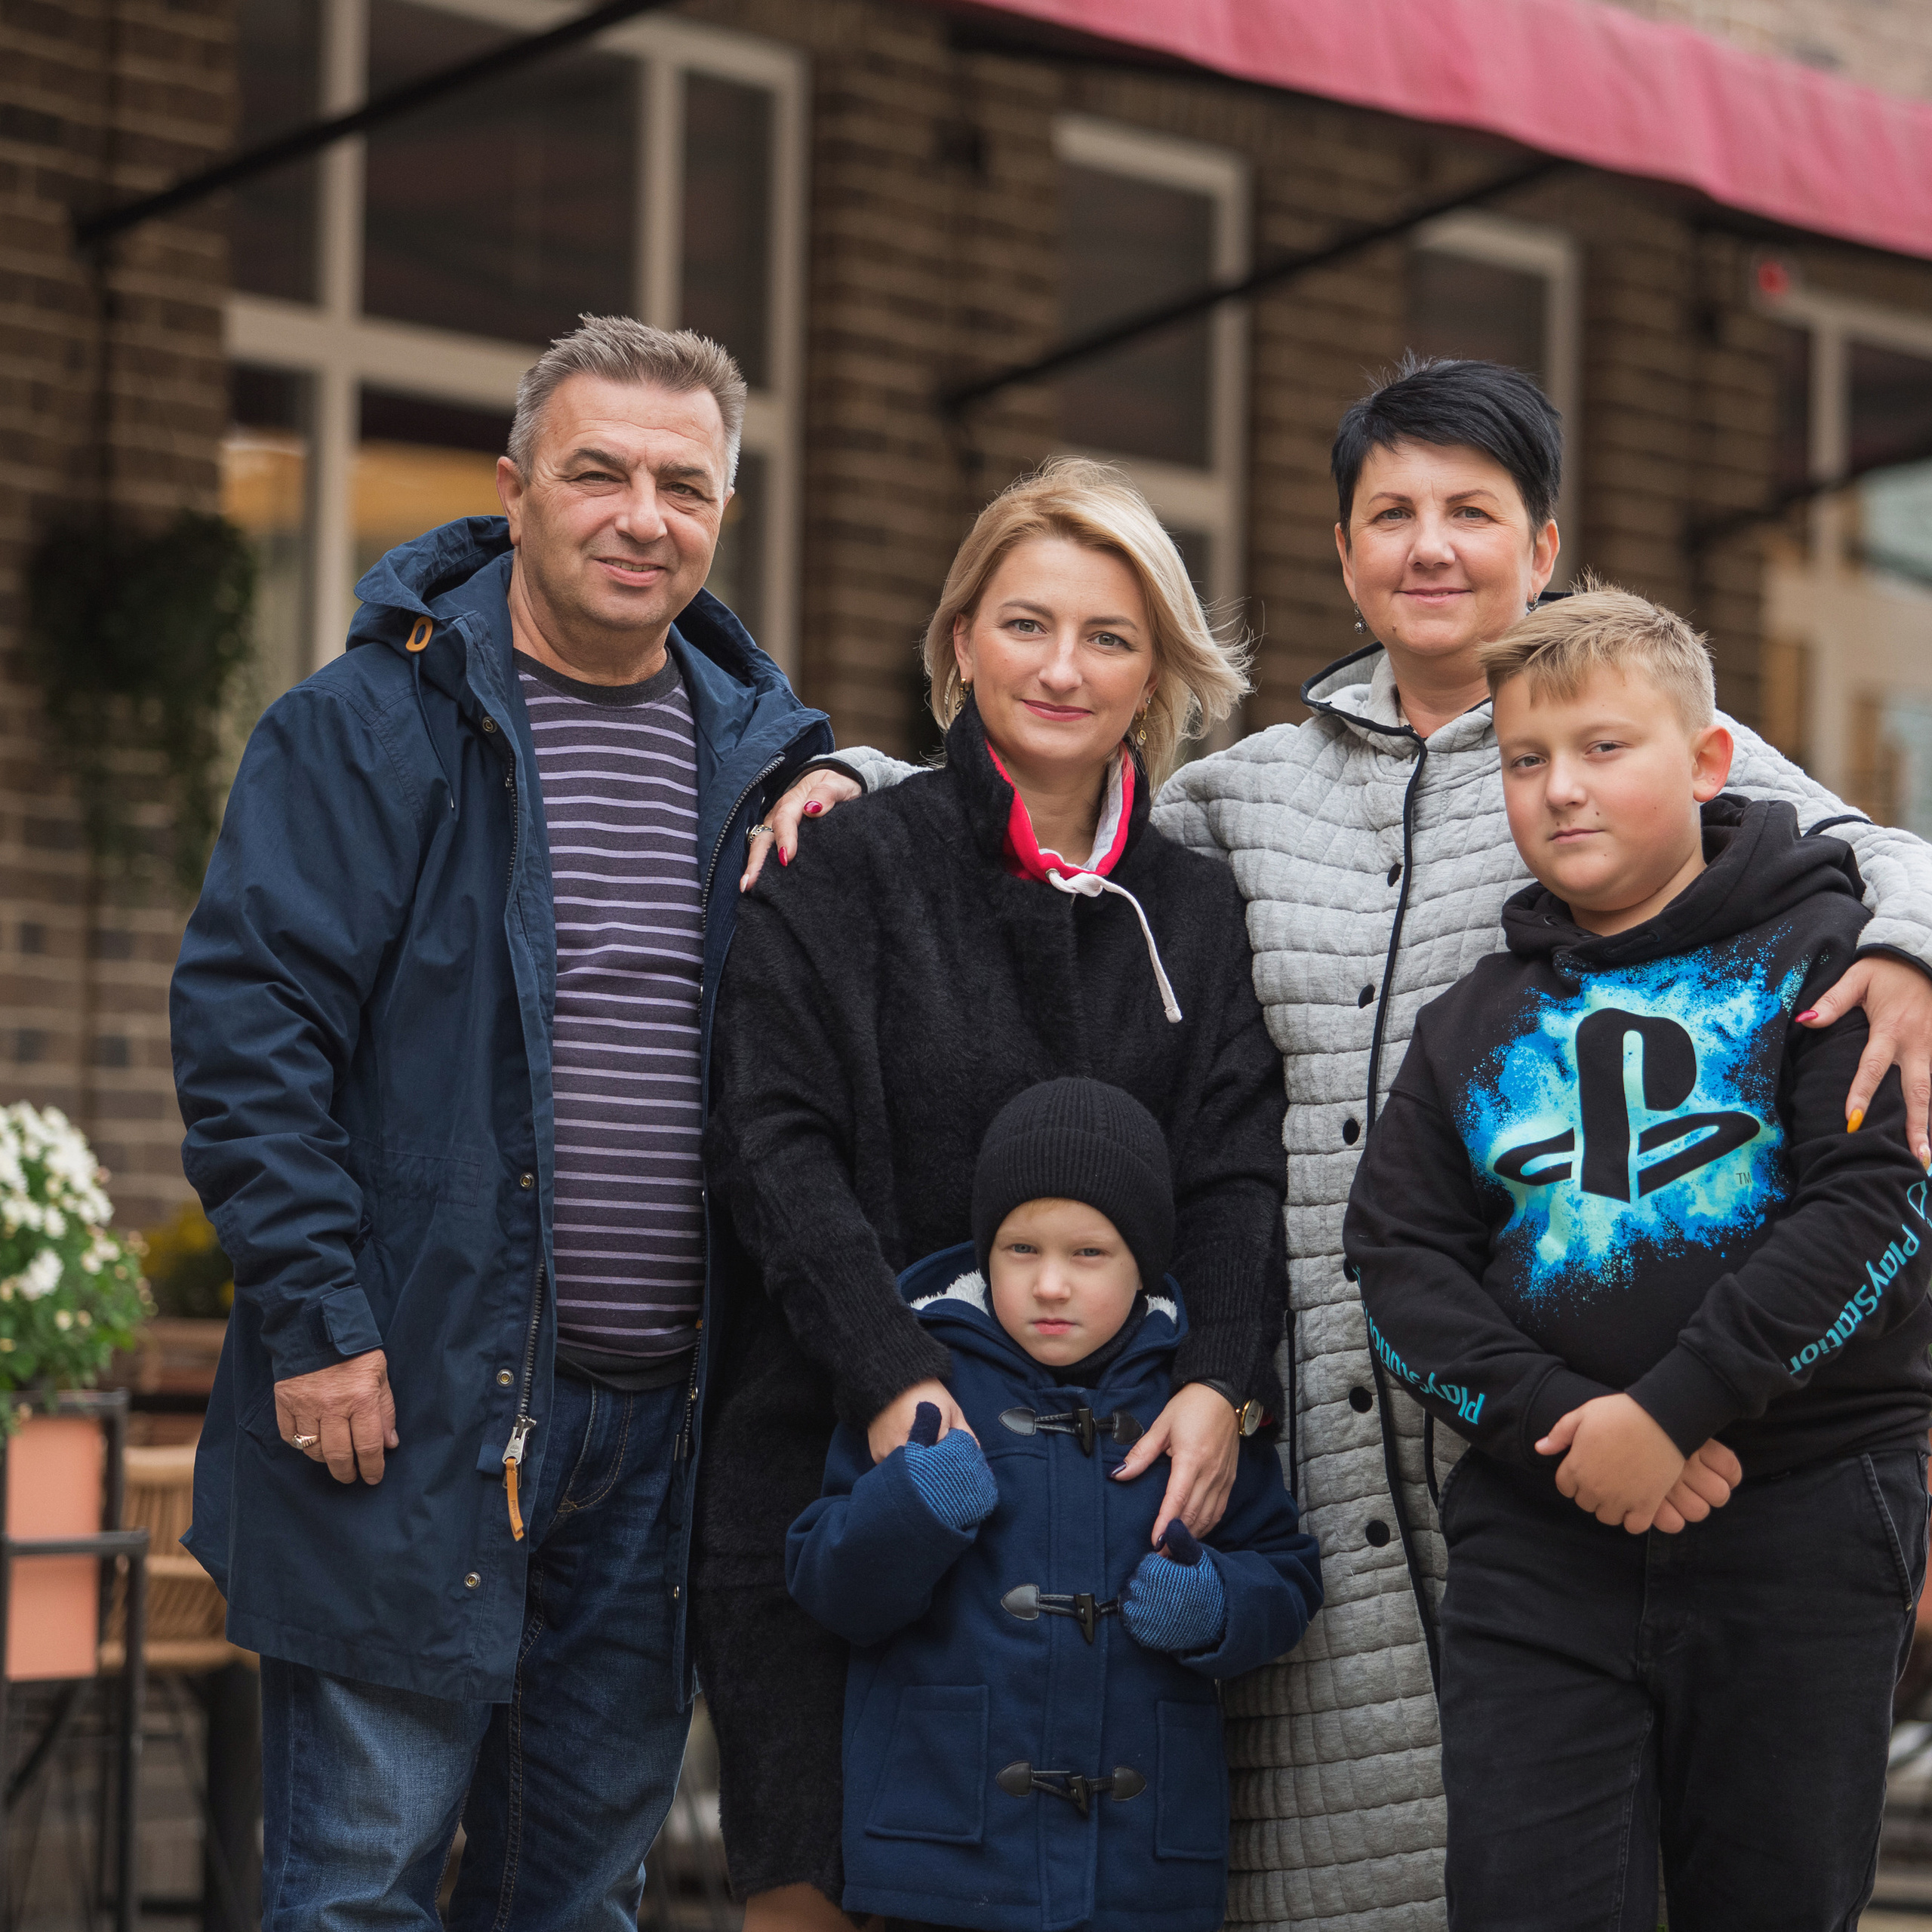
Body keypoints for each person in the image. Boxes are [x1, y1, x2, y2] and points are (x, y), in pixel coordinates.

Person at [755, 357, 1932, 1927]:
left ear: (1543, 546)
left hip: (1601, 1430)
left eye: (1471, 512)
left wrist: (1910, 947)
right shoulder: (1247, 794)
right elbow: (1052, 809)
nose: (1427, 546)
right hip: (1319, 1431)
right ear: (1340, 551)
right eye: (1390, 513)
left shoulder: (1612, 734)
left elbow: (1860, 850)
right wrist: (858, 776)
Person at [171, 318, 840, 1928]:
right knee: (359, 1888)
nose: (639, 515)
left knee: (578, 1897)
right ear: (514, 490)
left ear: (722, 517)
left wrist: (858, 784)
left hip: (657, 1434)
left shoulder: (763, 764)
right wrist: (320, 1322)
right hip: (409, 1403)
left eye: (682, 484)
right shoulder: (363, 727)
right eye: (596, 471)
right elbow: (250, 1032)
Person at [697, 457, 1291, 1927]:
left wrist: (1220, 1380)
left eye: (1108, 633)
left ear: (1156, 664)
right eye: (1024, 623)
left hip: (1095, 1519)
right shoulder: (841, 864)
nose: (1062, 667)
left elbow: (1231, 1170)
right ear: (958, 636)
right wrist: (893, 1371)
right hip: (830, 1477)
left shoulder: (1195, 909)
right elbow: (772, 1146)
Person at [1343, 586, 1932, 1928]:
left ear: (1708, 759)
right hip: (1539, 1543)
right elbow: (1397, 1263)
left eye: (1605, 748)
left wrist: (1676, 1411)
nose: (1561, 790)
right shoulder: (1469, 1023)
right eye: (1526, 759)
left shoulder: (1830, 960)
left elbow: (1877, 1217)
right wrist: (1574, 1429)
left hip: (1806, 1517)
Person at [787, 1078, 1322, 1932]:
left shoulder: (1194, 1405)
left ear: (1144, 1259)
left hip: (1138, 1862)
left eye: (1088, 1254)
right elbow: (829, 1584)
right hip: (946, 1852)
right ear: (982, 1251)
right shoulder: (927, 1386)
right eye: (1019, 1249)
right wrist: (915, 1506)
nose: (1048, 1285)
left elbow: (1288, 1576)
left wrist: (1216, 1604)